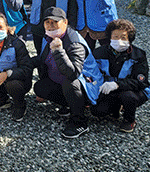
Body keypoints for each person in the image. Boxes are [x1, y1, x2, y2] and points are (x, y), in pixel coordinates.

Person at [33, 7, 103, 139]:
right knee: (40, 87)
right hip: (62, 81)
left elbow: (73, 73)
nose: (50, 25)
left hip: (87, 86)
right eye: (47, 22)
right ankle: (69, 105)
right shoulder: (47, 37)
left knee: (70, 82)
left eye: (55, 22)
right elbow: (42, 59)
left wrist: (58, 51)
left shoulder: (74, 42)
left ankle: (79, 121)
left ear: (65, 22)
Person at [91, 19, 150, 133]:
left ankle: (129, 119)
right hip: (108, 88)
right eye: (115, 36)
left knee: (128, 97)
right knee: (97, 111)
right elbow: (92, 74)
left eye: (123, 37)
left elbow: (141, 81)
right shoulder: (99, 53)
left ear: (130, 38)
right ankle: (116, 108)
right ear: (109, 37)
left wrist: (117, 84)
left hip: (133, 90)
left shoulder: (138, 55)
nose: (118, 40)